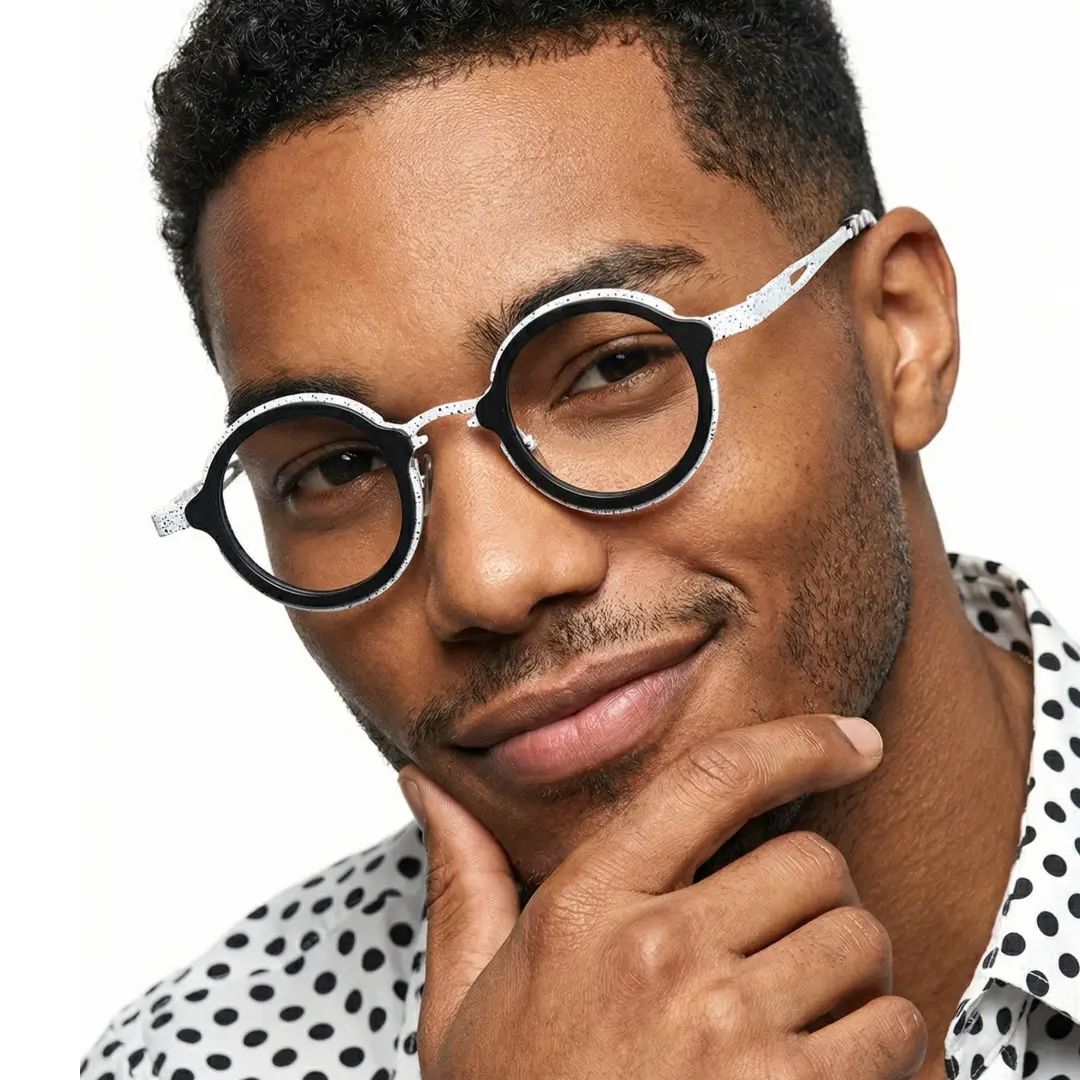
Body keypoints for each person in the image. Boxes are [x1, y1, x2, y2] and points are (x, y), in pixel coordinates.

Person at [82, 0, 1080, 1077]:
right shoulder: (202, 1056)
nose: (489, 577)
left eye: (610, 366)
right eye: (338, 467)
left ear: (900, 332)